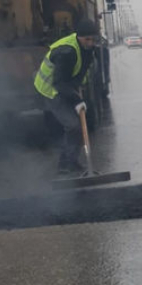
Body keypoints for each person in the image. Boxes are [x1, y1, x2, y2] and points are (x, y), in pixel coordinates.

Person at [34, 19, 99, 173]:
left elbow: (80, 72)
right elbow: (59, 83)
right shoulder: (67, 51)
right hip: (50, 89)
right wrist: (77, 100)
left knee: (75, 125)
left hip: (65, 86)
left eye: (93, 39)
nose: (90, 43)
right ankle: (66, 164)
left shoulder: (87, 49)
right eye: (87, 39)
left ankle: (68, 162)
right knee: (73, 125)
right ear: (79, 37)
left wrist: (78, 88)